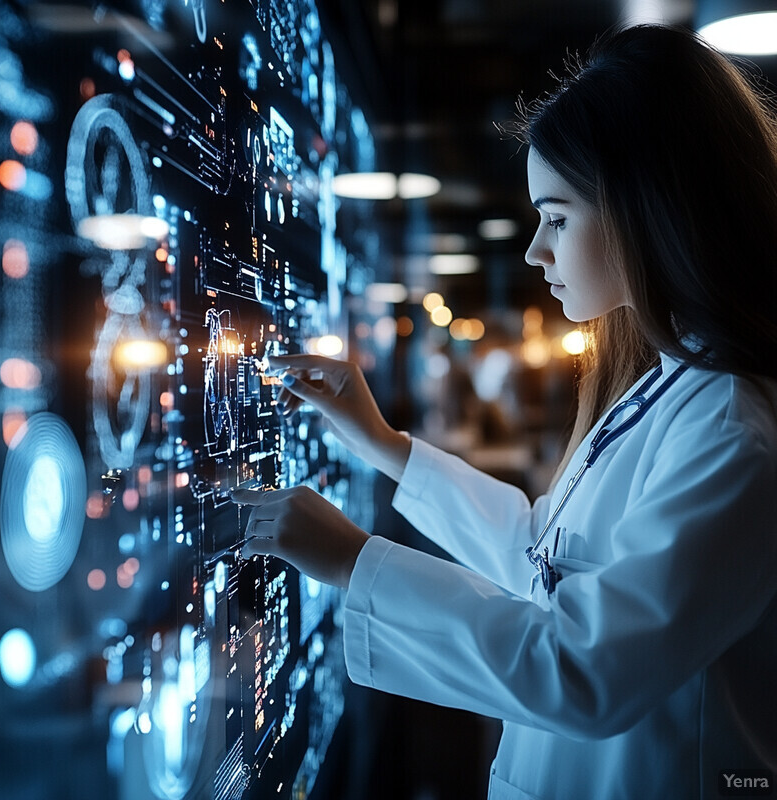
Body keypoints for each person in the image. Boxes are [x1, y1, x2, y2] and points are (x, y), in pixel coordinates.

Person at [233, 24, 777, 800]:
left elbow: (586, 669)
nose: (535, 251)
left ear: (644, 208)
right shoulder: (674, 386)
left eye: (556, 217)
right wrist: (386, 445)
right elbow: (543, 560)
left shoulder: (730, 427)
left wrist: (354, 562)